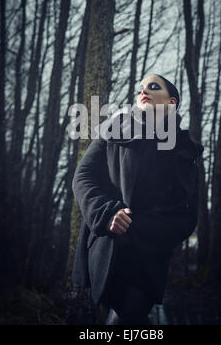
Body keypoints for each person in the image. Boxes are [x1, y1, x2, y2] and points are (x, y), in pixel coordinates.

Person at [71, 74, 204, 325]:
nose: (144, 90)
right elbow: (83, 177)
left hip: (148, 258)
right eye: (141, 87)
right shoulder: (113, 129)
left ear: (172, 101)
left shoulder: (186, 151)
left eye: (154, 86)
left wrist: (145, 230)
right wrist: (107, 213)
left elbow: (188, 216)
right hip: (104, 250)